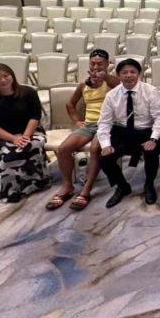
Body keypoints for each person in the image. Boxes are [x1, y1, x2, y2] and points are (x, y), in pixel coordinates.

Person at [47, 49, 120, 211]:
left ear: (107, 64)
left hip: (108, 125)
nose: (96, 67)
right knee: (64, 149)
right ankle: (67, 185)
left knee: (95, 149)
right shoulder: (83, 85)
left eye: (100, 64)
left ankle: (86, 189)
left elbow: (121, 87)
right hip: (89, 124)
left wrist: (105, 76)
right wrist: (76, 121)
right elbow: (70, 104)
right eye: (93, 63)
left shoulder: (112, 81)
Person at [98, 58, 160, 207]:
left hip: (145, 131)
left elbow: (159, 118)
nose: (129, 75)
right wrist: (105, 144)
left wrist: (154, 139)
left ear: (139, 74)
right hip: (122, 132)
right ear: (118, 75)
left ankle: (149, 184)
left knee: (152, 152)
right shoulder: (112, 95)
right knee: (105, 158)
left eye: (132, 72)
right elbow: (104, 122)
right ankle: (122, 186)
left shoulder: (150, 91)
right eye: (124, 72)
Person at [0, 64, 49, 203]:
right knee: (9, 153)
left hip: (30, 130)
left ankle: (36, 183)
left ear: (12, 75)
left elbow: (35, 116)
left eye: (6, 76)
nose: (3, 80)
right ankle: (10, 190)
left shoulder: (28, 92)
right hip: (0, 135)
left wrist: (25, 136)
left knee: (32, 145)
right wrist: (13, 139)